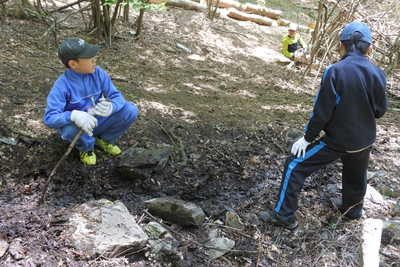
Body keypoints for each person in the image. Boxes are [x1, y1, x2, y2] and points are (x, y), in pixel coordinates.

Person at [260, 22, 388, 229]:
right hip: (365, 139)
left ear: (340, 45)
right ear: (370, 48)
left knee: (294, 165)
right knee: (356, 174)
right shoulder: (378, 73)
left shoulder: (335, 71)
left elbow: (323, 112)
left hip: (339, 140)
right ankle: (352, 210)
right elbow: (380, 111)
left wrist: (307, 137)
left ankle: (283, 216)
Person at [44, 37, 139, 165]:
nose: (95, 61)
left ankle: (104, 139)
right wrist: (73, 115)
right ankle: (86, 148)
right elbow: (50, 118)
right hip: (78, 127)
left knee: (130, 110)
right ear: (73, 64)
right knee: (70, 130)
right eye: (90, 59)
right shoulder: (62, 85)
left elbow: (116, 96)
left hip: (97, 120)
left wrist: (112, 106)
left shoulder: (98, 73)